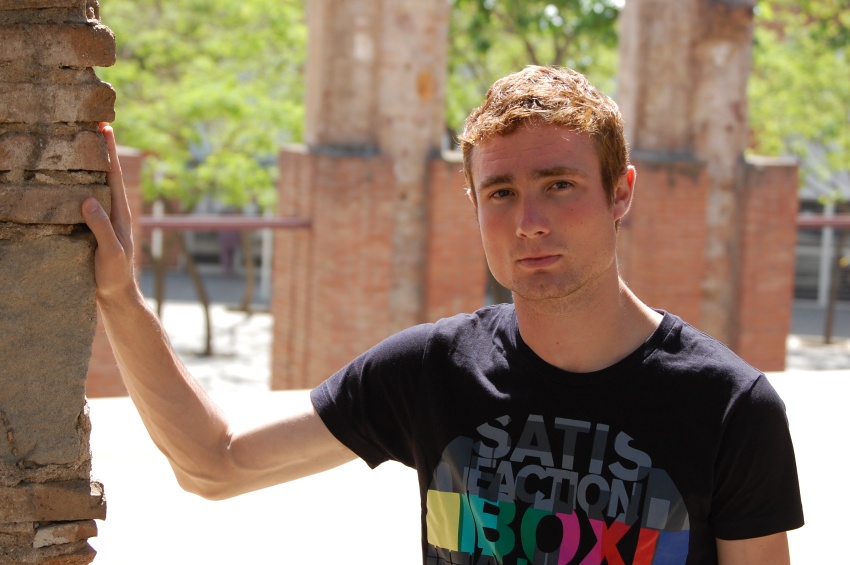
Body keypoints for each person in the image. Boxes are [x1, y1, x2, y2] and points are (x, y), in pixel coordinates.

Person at [82, 66, 803, 565]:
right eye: (501, 192)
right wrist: (119, 296)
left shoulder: (729, 407)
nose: (529, 221)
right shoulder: (433, 372)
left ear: (621, 192)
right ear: (476, 206)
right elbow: (215, 463)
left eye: (560, 184)